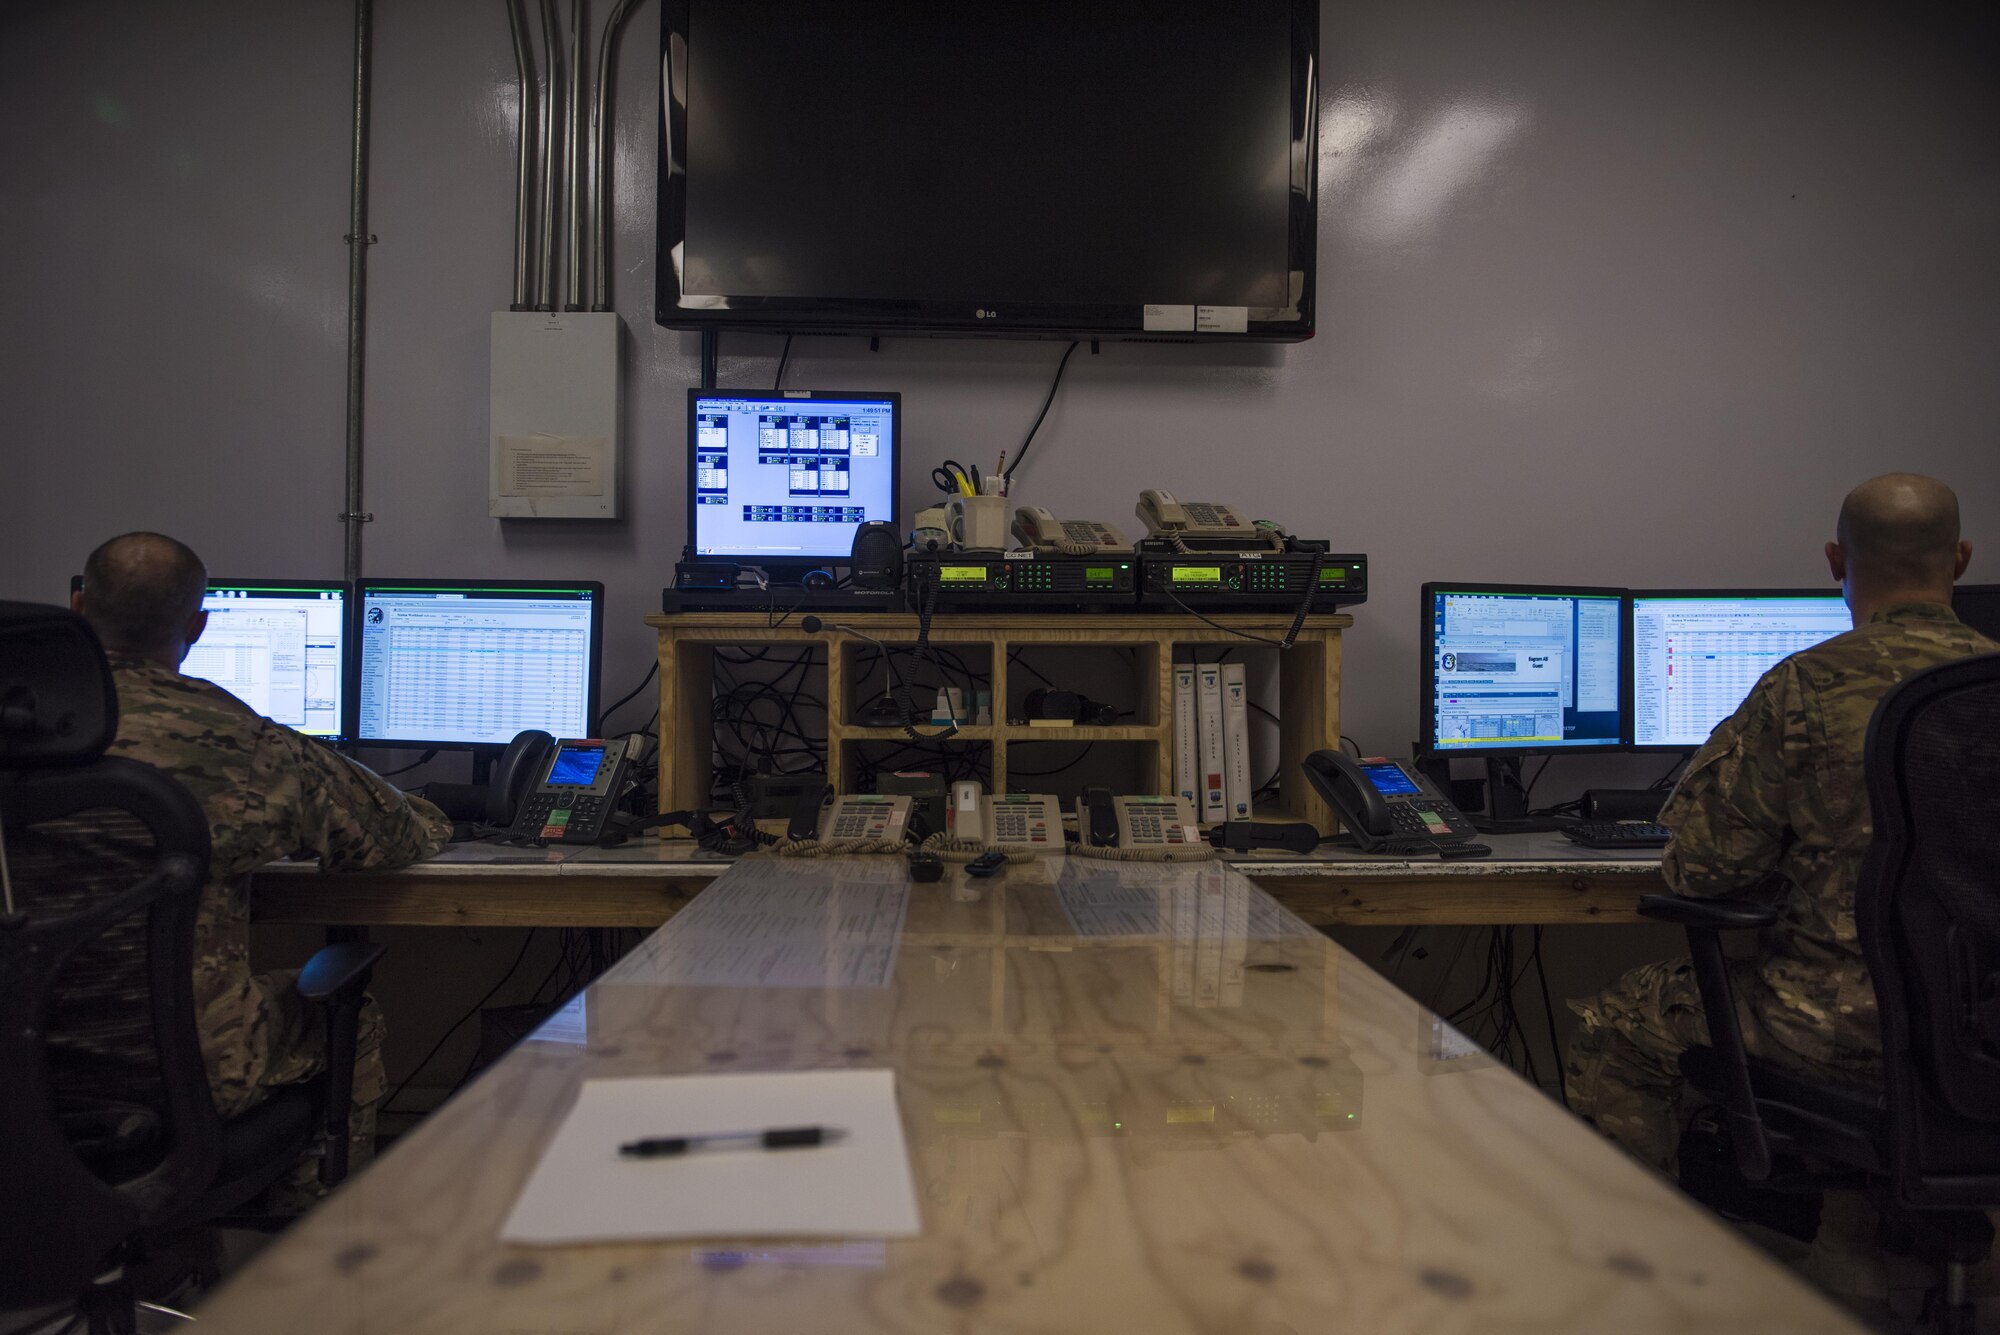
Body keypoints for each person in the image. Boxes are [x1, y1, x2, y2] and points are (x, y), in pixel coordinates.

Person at [1563, 474, 1997, 1315]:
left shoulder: (1802, 687)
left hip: (1832, 1027)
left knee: (1614, 1025)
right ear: (1963, 559)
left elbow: (1700, 873)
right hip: (1985, 1033)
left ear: (1835, 561)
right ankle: (1877, 1251)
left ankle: (1635, 1288)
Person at [71, 532, 451, 1198]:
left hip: (24, 1066)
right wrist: (441, 813)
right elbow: (388, 836)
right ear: (198, 624)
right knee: (348, 1020)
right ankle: (304, 1275)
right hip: (179, 1068)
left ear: (77, 607)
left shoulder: (24, 725)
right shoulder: (233, 739)